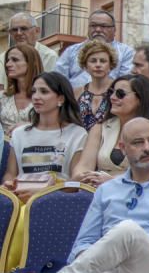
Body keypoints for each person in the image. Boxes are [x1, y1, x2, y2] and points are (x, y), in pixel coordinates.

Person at [58, 117, 149, 273]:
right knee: (124, 232)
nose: (147, 148)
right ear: (122, 148)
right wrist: (98, 260)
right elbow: (83, 243)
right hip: (105, 271)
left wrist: (107, 264)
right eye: (138, 142)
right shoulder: (106, 190)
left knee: (128, 230)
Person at [2, 72, 88, 202]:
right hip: (20, 198)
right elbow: (10, 173)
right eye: (34, 91)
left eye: (44, 91)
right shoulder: (19, 133)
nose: (36, 96)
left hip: (56, 200)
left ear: (61, 99)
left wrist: (44, 192)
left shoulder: (77, 134)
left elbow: (76, 180)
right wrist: (8, 184)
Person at [72, 74, 149, 187]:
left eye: (120, 94)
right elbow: (84, 166)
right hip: (98, 190)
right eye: (111, 92)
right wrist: (83, 176)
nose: (112, 97)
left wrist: (113, 181)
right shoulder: (99, 128)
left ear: (140, 99)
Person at [55, 10, 134, 88]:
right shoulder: (71, 51)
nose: (98, 29)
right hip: (73, 98)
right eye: (93, 26)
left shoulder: (126, 52)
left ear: (114, 30)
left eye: (103, 26)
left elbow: (125, 83)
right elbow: (58, 80)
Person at [73, 39, 118, 131]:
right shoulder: (76, 93)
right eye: (93, 61)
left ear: (110, 65)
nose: (98, 65)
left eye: (103, 61)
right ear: (85, 66)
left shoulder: (118, 91)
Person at [4, 13, 58, 87]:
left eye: (24, 28)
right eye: (14, 30)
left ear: (37, 31)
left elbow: (50, 87)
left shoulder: (49, 56)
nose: (19, 33)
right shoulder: (2, 58)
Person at [0, 44, 43, 135]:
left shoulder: (48, 95)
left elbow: (58, 126)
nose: (8, 64)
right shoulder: (2, 96)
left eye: (15, 60)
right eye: (8, 60)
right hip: (5, 146)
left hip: (36, 145)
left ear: (32, 63)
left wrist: (30, 126)